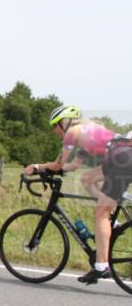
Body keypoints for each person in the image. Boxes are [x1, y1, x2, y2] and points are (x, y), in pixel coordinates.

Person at [25, 105, 132, 285]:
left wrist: (36, 167)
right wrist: (50, 170)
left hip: (122, 160)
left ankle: (101, 266)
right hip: (121, 158)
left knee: (100, 214)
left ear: (64, 121)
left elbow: (58, 164)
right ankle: (112, 222)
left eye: (55, 126)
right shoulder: (87, 132)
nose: (54, 131)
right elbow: (72, 166)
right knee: (87, 179)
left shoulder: (72, 132)